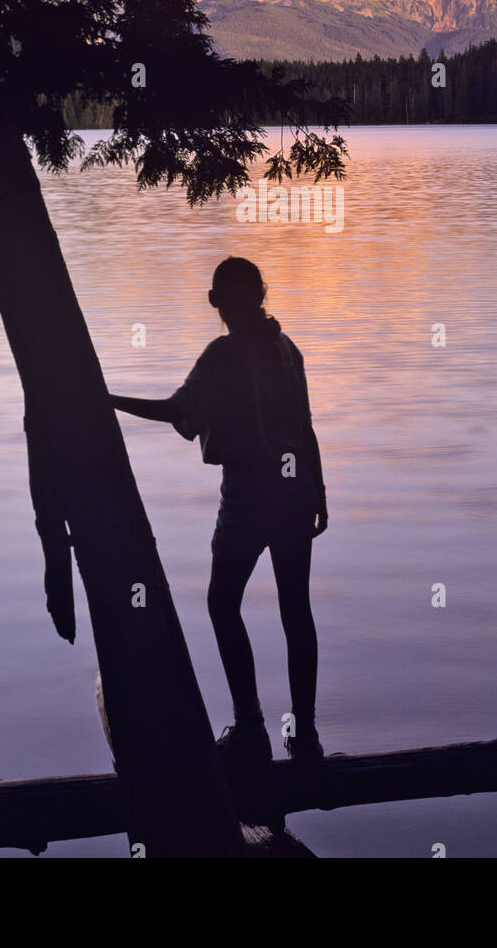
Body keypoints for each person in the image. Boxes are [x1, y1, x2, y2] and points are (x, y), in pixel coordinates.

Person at [110, 257, 328, 762]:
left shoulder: (223, 355)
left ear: (217, 302)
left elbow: (175, 410)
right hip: (294, 495)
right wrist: (318, 492)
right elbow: (306, 427)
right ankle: (307, 735)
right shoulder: (286, 348)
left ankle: (251, 729)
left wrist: (104, 400)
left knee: (222, 603)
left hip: (249, 497)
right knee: (296, 610)